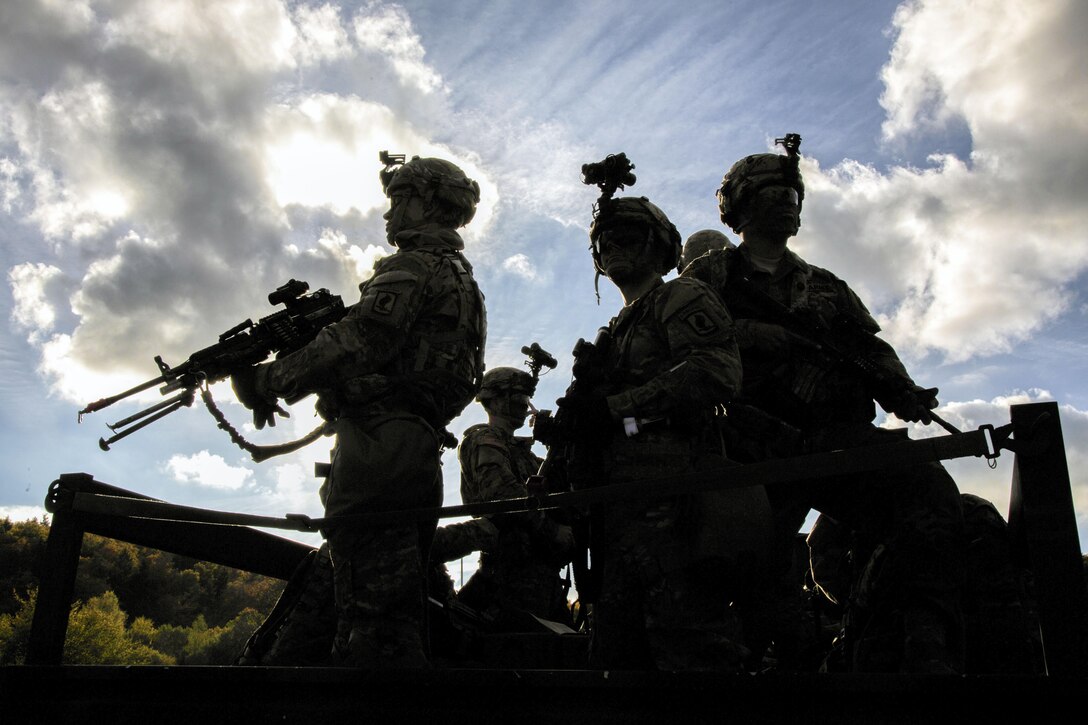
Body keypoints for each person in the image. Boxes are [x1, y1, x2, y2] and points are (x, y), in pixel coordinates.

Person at [682, 139, 965, 673]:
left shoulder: (827, 287)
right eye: (773, 192)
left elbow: (868, 349)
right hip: (743, 449)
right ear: (741, 206)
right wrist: (751, 335)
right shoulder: (710, 277)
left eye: (793, 192)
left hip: (827, 441)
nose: (788, 201)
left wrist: (900, 388)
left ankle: (922, 641)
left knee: (923, 489)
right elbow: (675, 344)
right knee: (751, 577)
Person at [231, 153, 487, 668]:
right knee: (386, 608)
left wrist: (267, 379)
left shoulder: (413, 266)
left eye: (399, 200)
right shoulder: (460, 277)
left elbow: (358, 341)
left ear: (428, 202)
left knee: (374, 622)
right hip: (409, 449)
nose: (390, 215)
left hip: (379, 452)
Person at [561, 193, 771, 671]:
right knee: (618, 654)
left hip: (675, 503)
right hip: (618, 511)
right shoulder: (614, 332)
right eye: (604, 242)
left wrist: (617, 409)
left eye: (628, 238)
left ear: (659, 247)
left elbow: (716, 371)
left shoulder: (680, 297)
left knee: (691, 649)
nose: (614, 247)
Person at [456, 367, 575, 627]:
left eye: (526, 400)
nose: (525, 407)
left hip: (543, 572)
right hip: (511, 569)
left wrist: (561, 444)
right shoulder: (483, 440)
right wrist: (552, 529)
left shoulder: (525, 454)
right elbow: (502, 495)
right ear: (496, 400)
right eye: (518, 399)